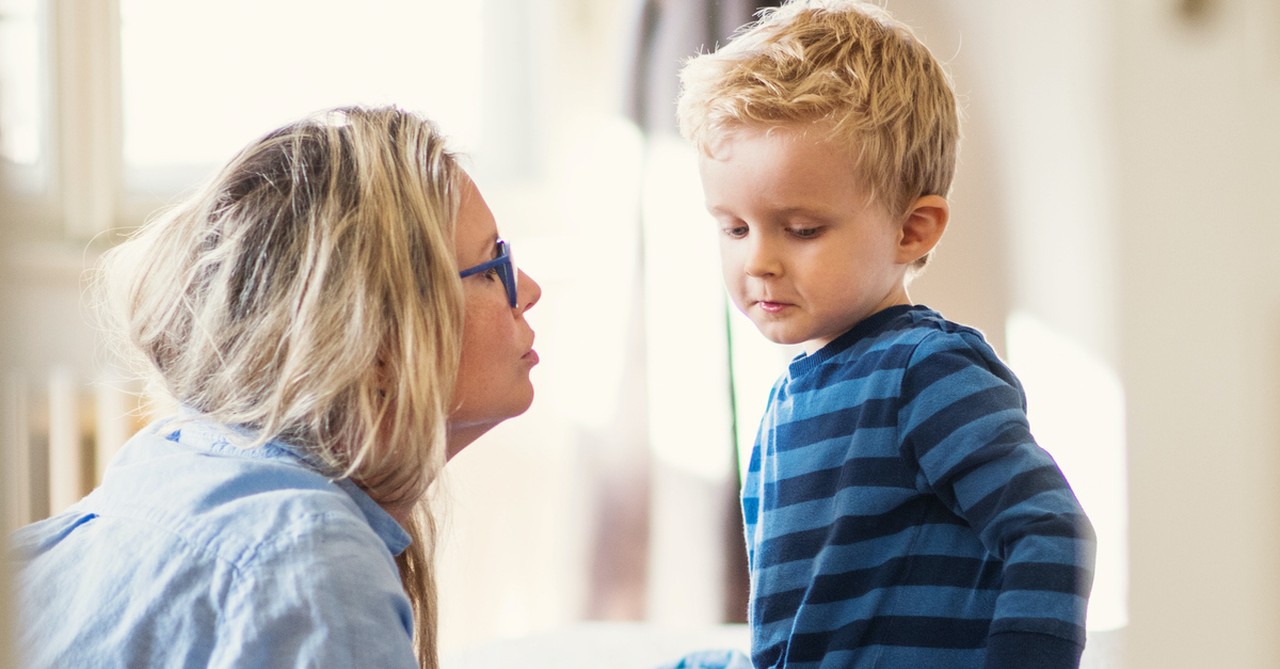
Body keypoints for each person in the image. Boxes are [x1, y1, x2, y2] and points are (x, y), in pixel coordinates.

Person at [9, 105, 541, 669]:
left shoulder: (166, 462)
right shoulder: (312, 566)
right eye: (490, 268)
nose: (526, 290)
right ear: (378, 341)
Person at [673, 2, 1096, 667]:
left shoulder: (926, 372)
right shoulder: (786, 404)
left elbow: (1048, 529)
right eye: (734, 228)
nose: (758, 260)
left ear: (912, 229)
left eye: (802, 228)